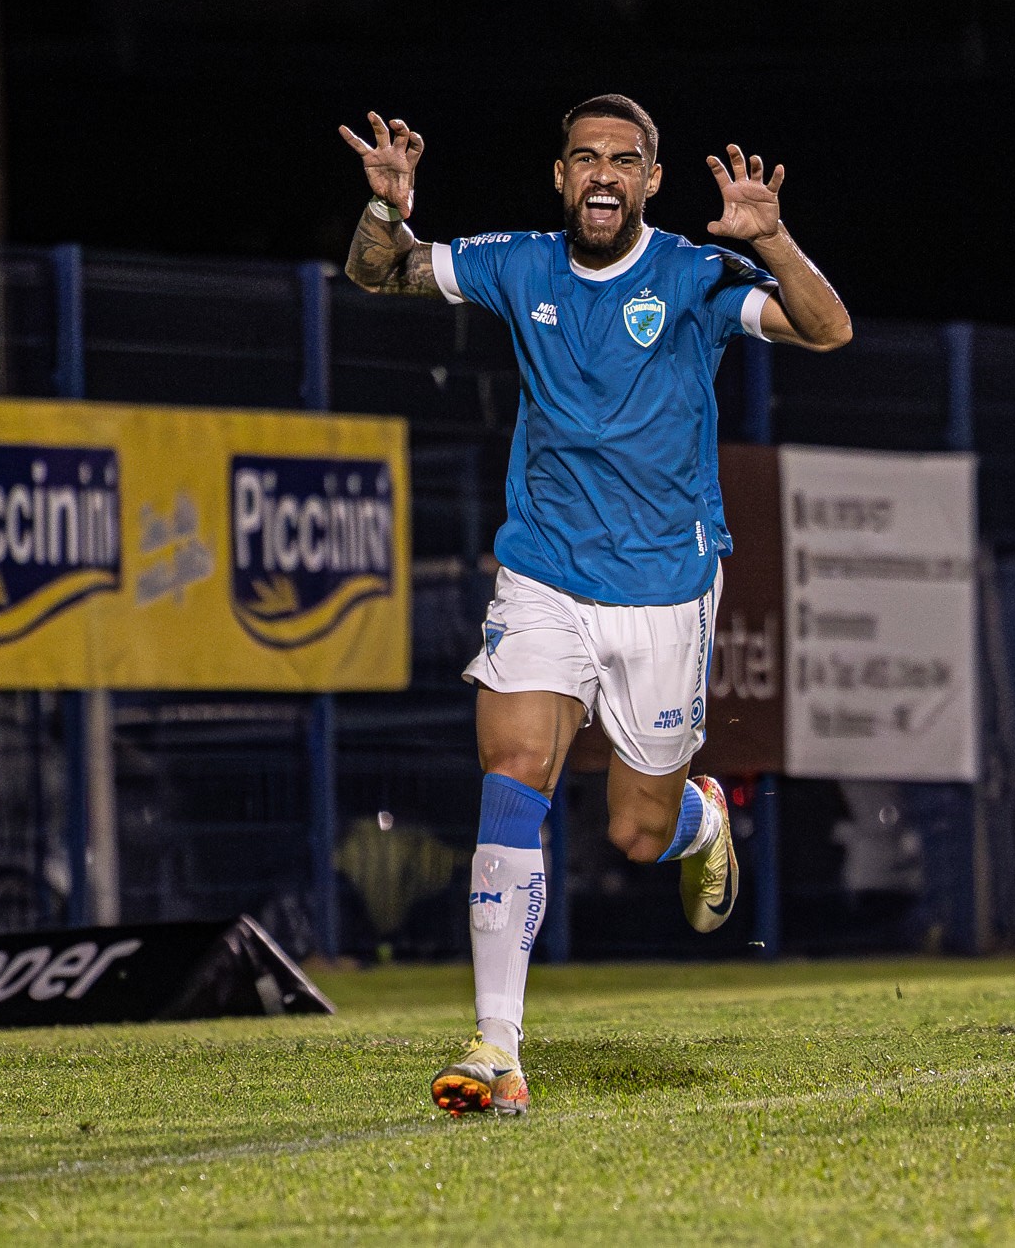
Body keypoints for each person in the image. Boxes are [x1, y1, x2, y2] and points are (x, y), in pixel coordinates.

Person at [338, 94, 852, 1116]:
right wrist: (387, 214)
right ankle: (495, 1046)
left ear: (651, 181)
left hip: (663, 590)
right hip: (541, 573)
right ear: (560, 177)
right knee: (513, 769)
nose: (603, 175)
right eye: (585, 159)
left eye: (624, 160)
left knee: (631, 831)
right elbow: (378, 272)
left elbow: (826, 329)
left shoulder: (692, 277)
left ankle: (694, 824)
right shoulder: (518, 262)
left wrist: (774, 238)